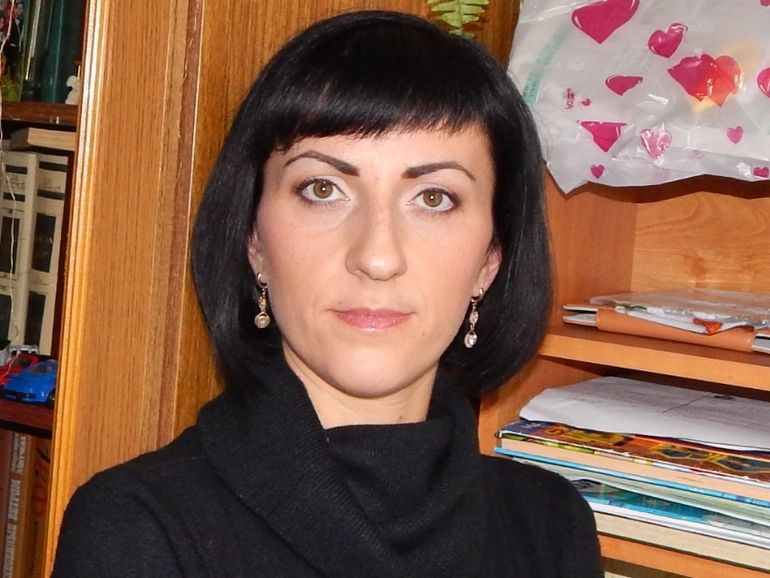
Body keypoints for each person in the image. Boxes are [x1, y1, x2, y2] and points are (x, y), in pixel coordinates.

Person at [52, 10, 603, 578]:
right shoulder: (139, 527)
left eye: (434, 198)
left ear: (490, 260)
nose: (377, 257)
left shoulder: (551, 523)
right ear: (254, 241)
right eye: (323, 189)